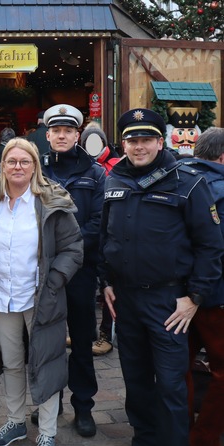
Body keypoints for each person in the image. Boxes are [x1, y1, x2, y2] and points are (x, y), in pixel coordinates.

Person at [100, 108, 223, 446]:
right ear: (124, 144)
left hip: (169, 303)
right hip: (126, 299)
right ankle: (144, 438)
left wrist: (194, 297)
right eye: (132, 140)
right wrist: (106, 282)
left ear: (159, 141)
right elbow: (104, 236)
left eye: (146, 140)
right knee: (136, 381)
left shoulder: (188, 182)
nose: (139, 147)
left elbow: (211, 246)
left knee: (171, 385)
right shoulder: (115, 179)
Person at [0, 137, 83, 446]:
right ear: (2, 166)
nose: (17, 166)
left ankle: (47, 432)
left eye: (24, 161)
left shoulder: (51, 201)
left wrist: (54, 281)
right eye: (11, 161)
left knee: (46, 363)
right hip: (1, 297)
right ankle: (15, 422)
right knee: (13, 363)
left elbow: (73, 248)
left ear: (34, 167)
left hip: (41, 298)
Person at [33, 104, 105, 437]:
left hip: (79, 271)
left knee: (80, 340)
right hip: (42, 271)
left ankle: (83, 406)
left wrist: (68, 248)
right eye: (56, 131)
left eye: (68, 131)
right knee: (47, 341)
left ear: (78, 135)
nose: (62, 136)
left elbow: (99, 222)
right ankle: (50, 402)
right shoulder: (36, 170)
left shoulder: (95, 174)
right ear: (47, 135)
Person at [179, 127, 224, 446]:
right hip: (216, 296)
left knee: (178, 366)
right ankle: (204, 436)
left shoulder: (175, 179)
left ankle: (179, 429)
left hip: (176, 294)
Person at [80, 121, 120, 357]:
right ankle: (85, 332)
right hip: (90, 235)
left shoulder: (116, 165)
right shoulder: (82, 165)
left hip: (107, 234)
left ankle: (106, 333)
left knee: (107, 286)